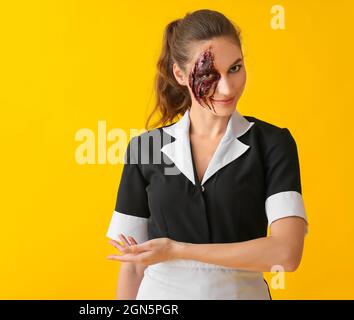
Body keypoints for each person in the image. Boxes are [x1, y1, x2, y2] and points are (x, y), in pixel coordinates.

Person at [106, 9, 308, 300]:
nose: (227, 88)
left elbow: (286, 253)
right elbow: (133, 266)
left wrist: (178, 250)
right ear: (180, 74)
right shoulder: (145, 150)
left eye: (235, 68)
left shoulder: (272, 144)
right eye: (209, 74)